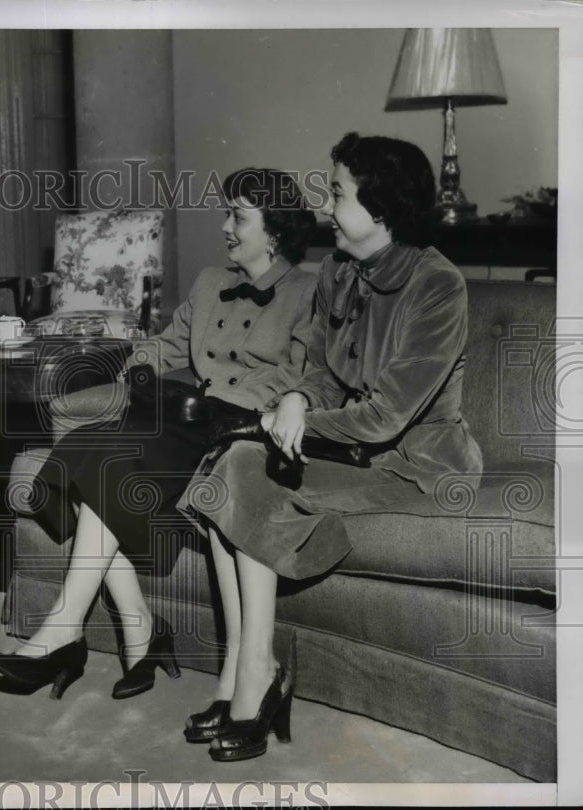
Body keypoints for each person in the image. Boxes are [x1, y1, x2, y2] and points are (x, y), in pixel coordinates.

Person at [178, 133, 483, 762]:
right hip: (351, 450)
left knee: (246, 467)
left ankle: (257, 674)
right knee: (227, 464)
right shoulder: (339, 271)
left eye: (337, 194)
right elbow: (319, 374)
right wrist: (295, 398)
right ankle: (243, 668)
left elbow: (385, 417)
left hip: (414, 465)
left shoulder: (438, 286)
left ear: (381, 208)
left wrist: (293, 420)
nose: (325, 207)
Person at [0, 168, 317, 700]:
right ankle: (135, 626)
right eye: (226, 214)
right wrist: (135, 368)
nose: (225, 227)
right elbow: (166, 344)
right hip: (183, 415)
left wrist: (246, 403)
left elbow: (303, 376)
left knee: (112, 459)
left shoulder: (308, 291)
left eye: (238, 217)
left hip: (233, 429)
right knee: (83, 448)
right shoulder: (210, 281)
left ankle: (66, 631)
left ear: (274, 229)